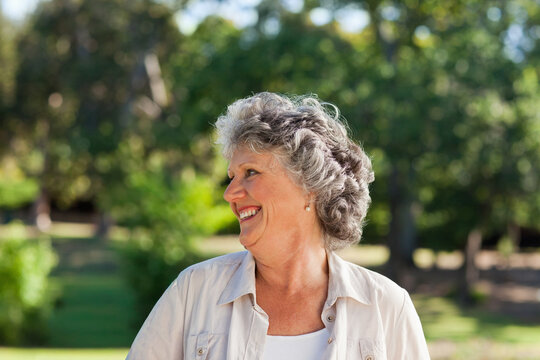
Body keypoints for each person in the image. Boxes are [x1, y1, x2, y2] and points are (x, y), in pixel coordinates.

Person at [126, 92, 430, 359]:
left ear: (310, 185)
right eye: (232, 176)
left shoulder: (386, 306)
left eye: (251, 172)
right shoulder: (193, 292)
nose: (230, 193)